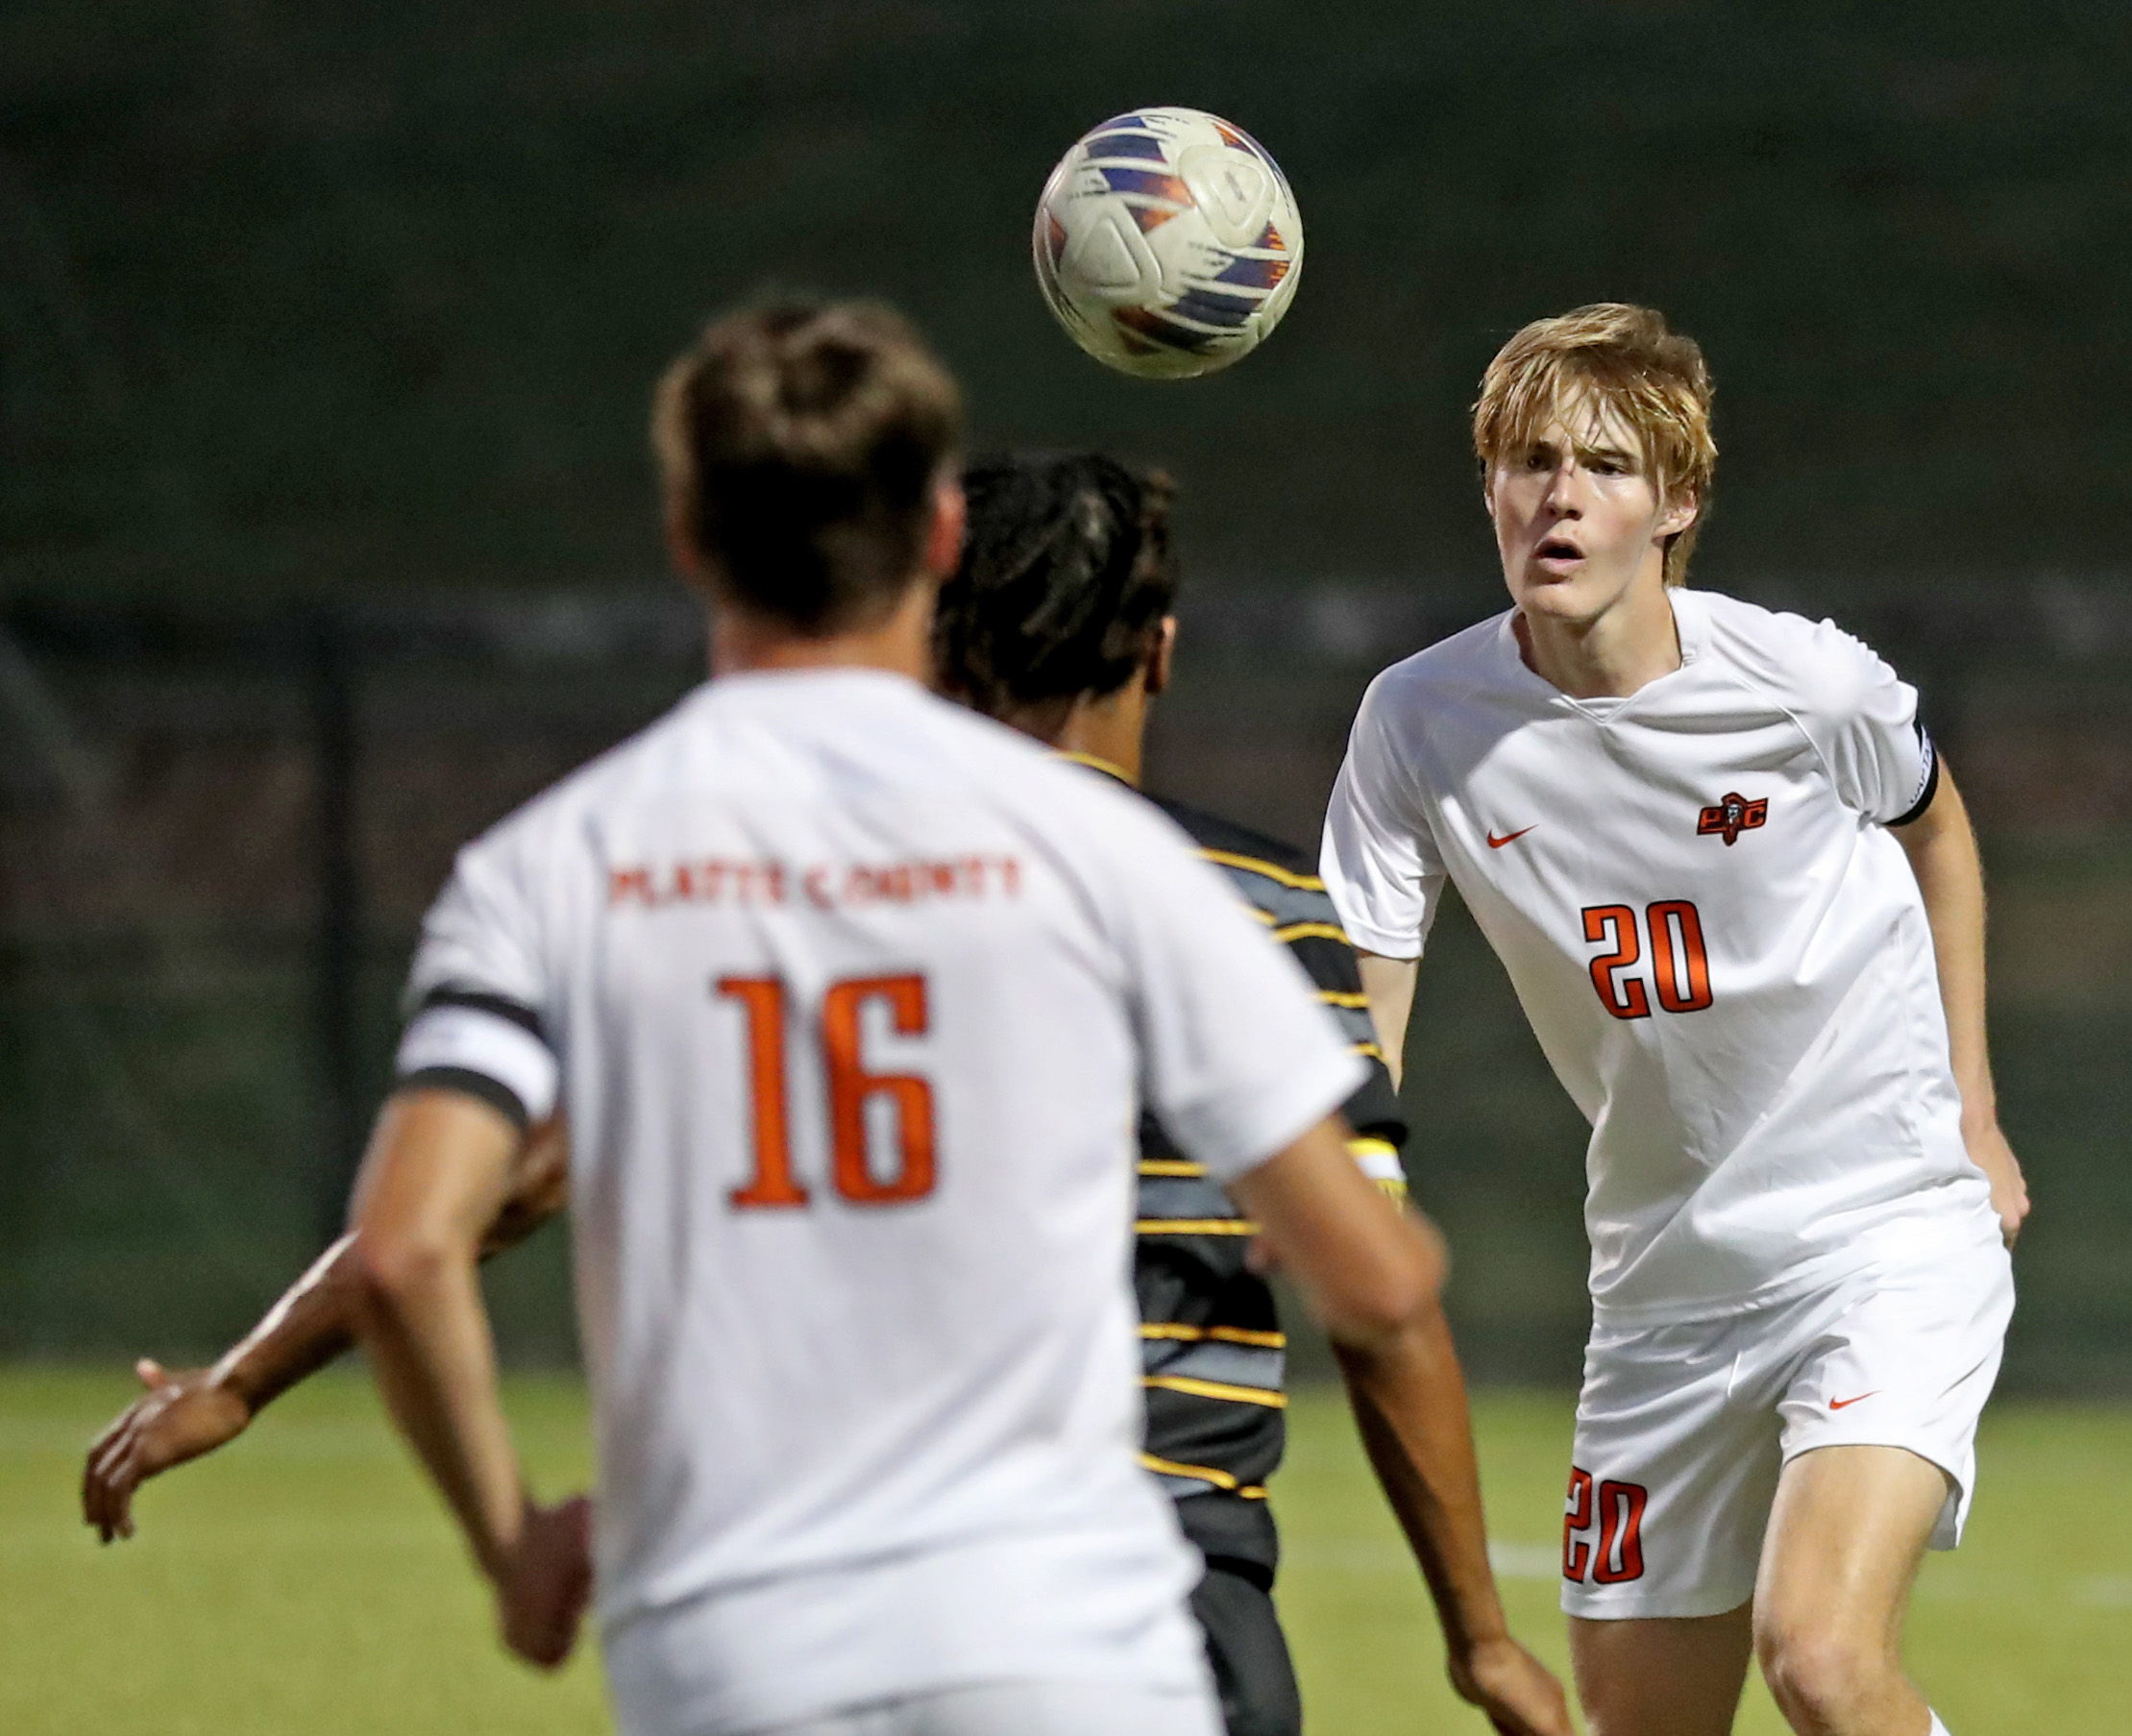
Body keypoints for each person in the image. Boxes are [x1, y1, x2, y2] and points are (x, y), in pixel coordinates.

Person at [92, 299, 1450, 1736]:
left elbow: (411, 1242)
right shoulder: (1104, 858)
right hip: (1063, 1635)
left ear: (686, 537)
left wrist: (508, 1541)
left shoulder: (562, 860)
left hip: (737, 1648)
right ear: (936, 538)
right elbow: (1376, 1283)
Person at [1319, 303, 2026, 1736]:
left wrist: (1976, 1105)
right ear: (1489, 488)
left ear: (1678, 502)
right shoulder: (1418, 719)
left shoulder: (1802, 682)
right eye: (1529, 461)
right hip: (1662, 1291)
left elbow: (1938, 834)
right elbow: (1362, 1000)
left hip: (1881, 1237)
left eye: (1605, 466)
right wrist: (1349, 1187)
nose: (1560, 496)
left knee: (1819, 1657)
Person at [937, 451, 1567, 1736]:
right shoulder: (1254, 909)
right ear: (1158, 651)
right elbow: (1379, 1301)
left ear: (939, 648)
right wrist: (1483, 1642)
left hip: (868, 1576)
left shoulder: (811, 901)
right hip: (1158, 1587)